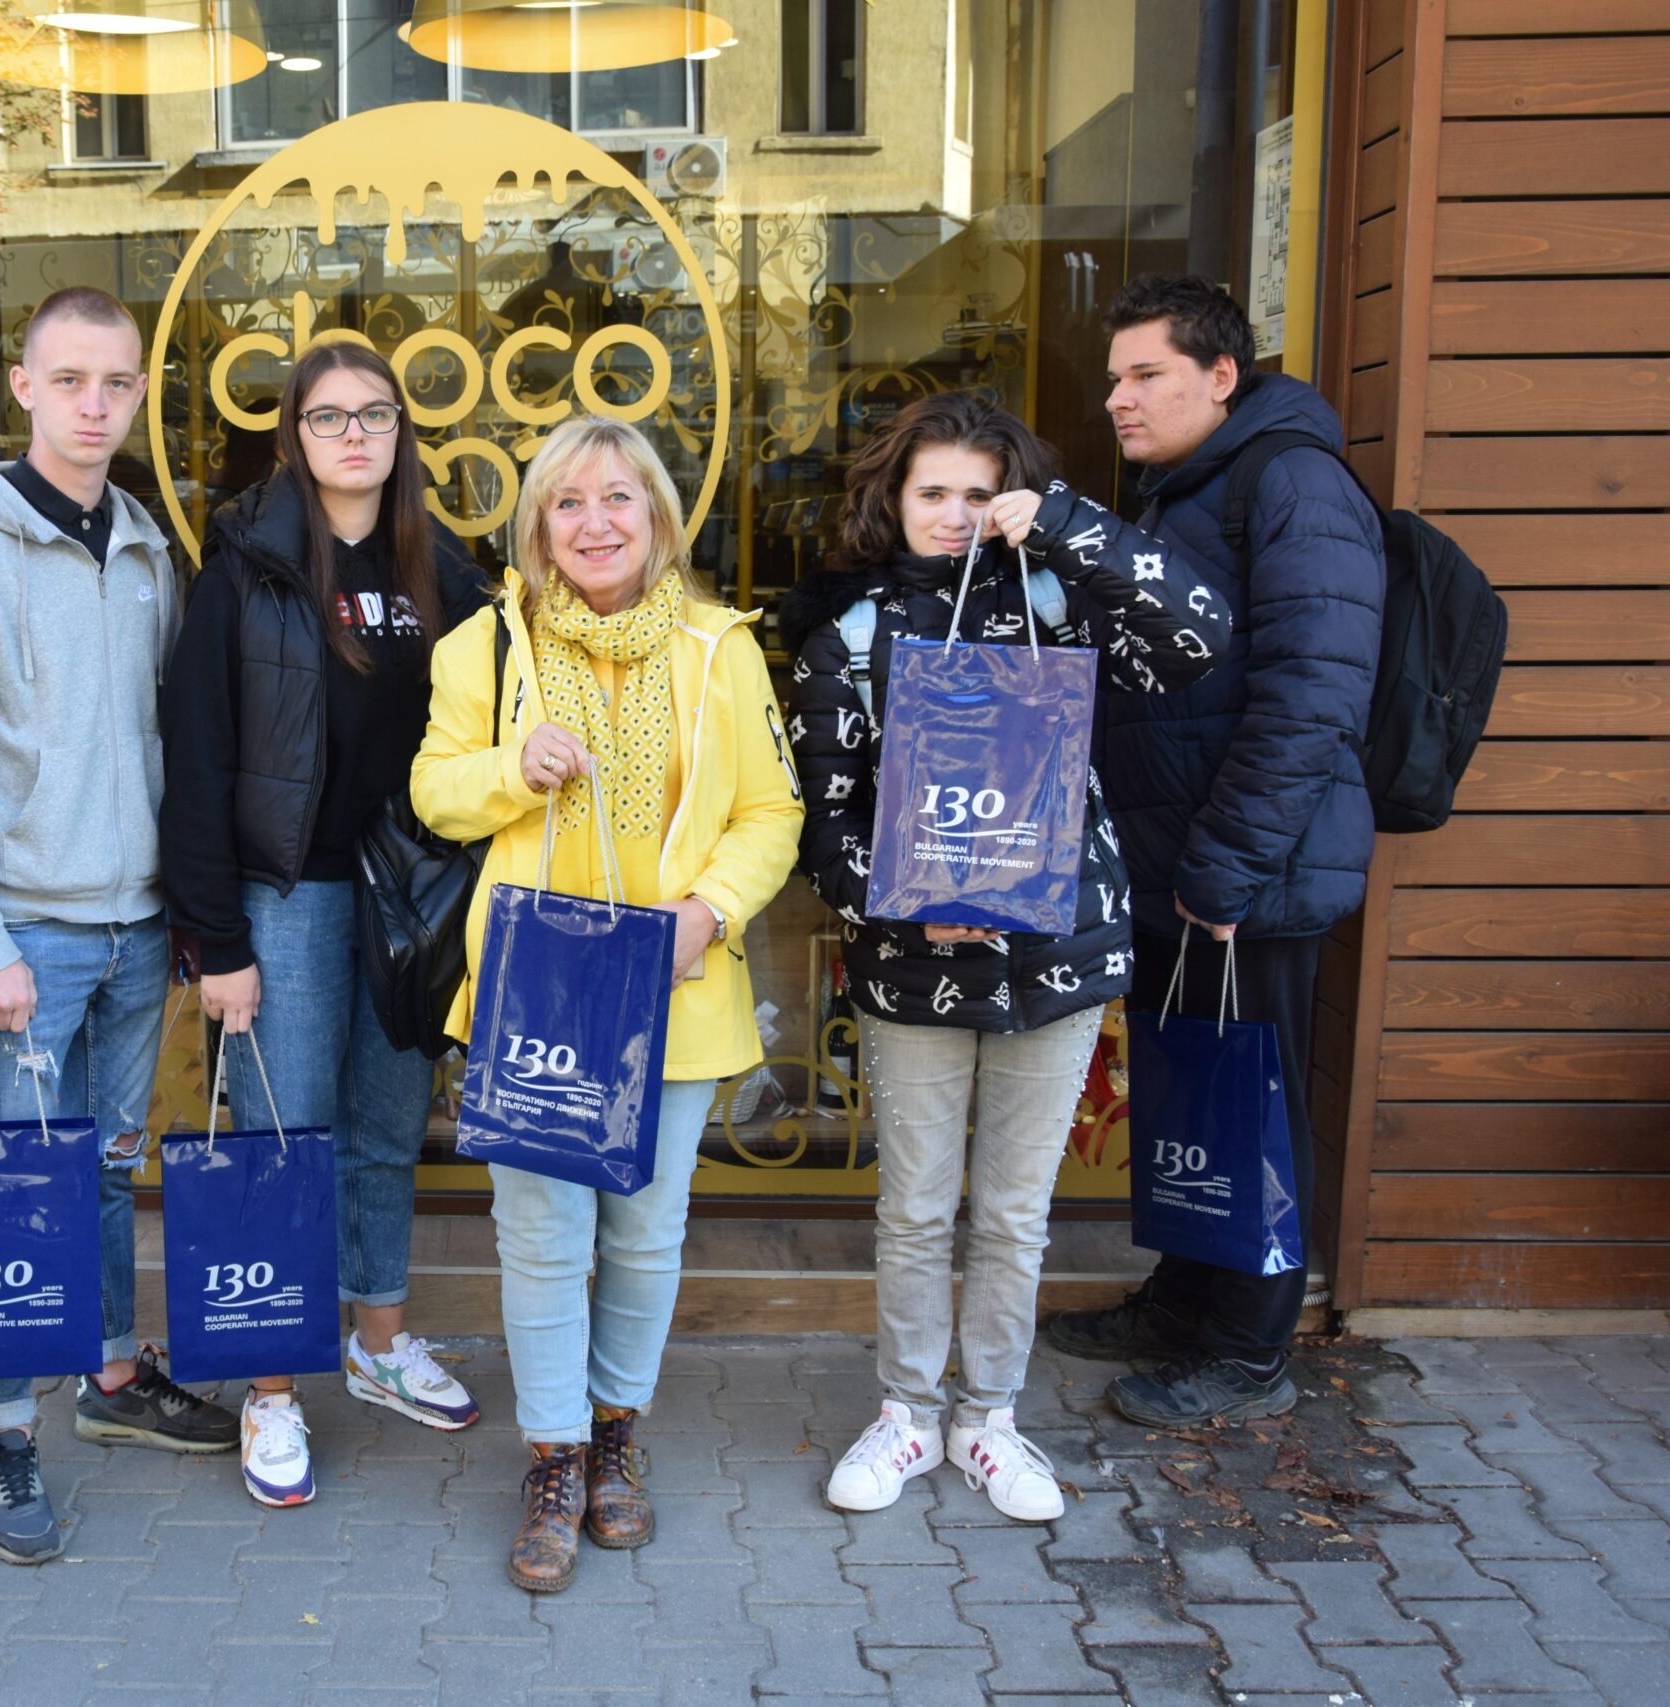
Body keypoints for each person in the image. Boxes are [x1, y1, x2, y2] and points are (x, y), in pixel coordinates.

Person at [778, 394, 1227, 1522]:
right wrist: (901, 906)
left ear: (1012, 500)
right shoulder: (852, 636)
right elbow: (820, 823)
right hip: (912, 967)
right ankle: (906, 1414)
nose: (953, 513)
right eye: (931, 491)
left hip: (1058, 956)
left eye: (978, 494)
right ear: (893, 500)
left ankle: (988, 1419)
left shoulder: (1064, 608)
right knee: (916, 1211)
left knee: (1016, 1216)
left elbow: (1196, 635)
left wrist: (1066, 523)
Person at [412, 416, 803, 1593]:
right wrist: (507, 770)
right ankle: (555, 1456)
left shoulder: (719, 647)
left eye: (618, 498)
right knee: (541, 1238)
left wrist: (709, 913)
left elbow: (770, 812)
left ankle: (616, 1431)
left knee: (642, 1231)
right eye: (568, 502)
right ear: (538, 526)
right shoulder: (484, 648)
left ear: (657, 518)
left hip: (671, 986)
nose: (594, 523)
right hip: (536, 991)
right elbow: (433, 792)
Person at [0, 287, 241, 1567]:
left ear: (140, 393)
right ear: (24, 388)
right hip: (25, 936)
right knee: (9, 1188)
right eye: (71, 379)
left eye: (118, 382)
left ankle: (107, 1376)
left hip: (136, 926)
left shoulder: (142, 546)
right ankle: (3, 1429)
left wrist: (185, 909)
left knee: (101, 1168)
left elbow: (167, 742)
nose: (96, 404)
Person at [1032, 275, 1385, 1427]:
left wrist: (1227, 869)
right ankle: (1183, 1301)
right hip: (1182, 868)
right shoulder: (1191, 486)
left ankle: (1247, 1350)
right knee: (1191, 1093)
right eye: (1114, 376)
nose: (1118, 398)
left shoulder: (1290, 483)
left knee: (1250, 1103)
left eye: (1146, 374)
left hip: (1246, 876)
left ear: (1220, 376)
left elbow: (1310, 697)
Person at [159, 342, 492, 1506]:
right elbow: (198, 760)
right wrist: (217, 939)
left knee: (388, 1128)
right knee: (282, 1144)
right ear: (292, 437)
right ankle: (271, 1387)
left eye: (376, 415)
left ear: (402, 432)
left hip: (411, 895)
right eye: (329, 416)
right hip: (287, 897)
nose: (355, 435)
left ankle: (378, 1341)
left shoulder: (447, 571)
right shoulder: (243, 571)